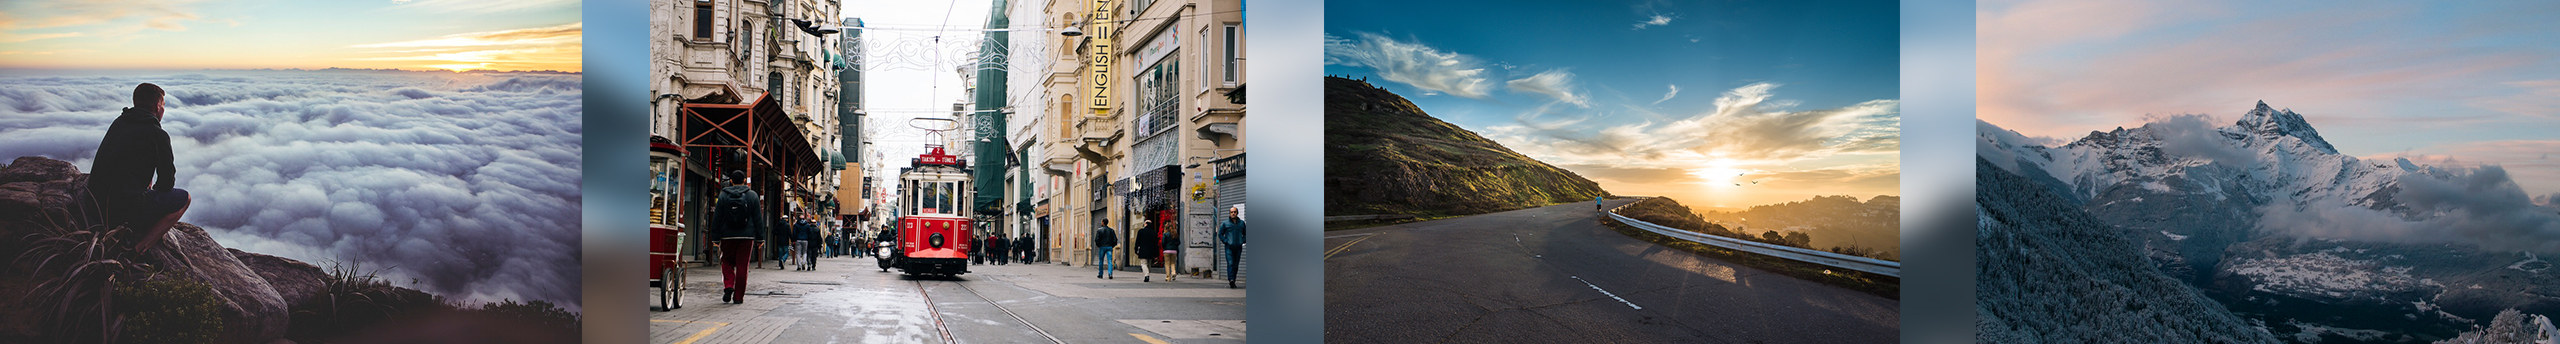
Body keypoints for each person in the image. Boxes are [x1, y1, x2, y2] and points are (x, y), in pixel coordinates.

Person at [90, 83, 191, 251]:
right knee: (184, 198)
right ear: (158, 107)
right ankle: (138, 248)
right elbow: (167, 183)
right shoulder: (158, 135)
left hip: (95, 204)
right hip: (123, 211)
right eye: (163, 105)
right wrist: (150, 193)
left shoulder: (119, 122)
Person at [711, 168, 764, 304]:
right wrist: (760, 238)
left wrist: (715, 238)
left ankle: (728, 285)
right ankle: (738, 297)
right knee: (742, 266)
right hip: (746, 237)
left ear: (731, 181)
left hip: (727, 235)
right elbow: (758, 218)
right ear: (745, 181)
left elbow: (717, 217)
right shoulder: (752, 195)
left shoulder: (723, 195)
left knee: (726, 261)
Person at [1218, 205, 1247, 288]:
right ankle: (1231, 280)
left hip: (1238, 247)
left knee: (1236, 264)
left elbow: (1245, 233)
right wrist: (1226, 241)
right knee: (1230, 263)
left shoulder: (1241, 223)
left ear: (1237, 213)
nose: (1233, 213)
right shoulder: (1225, 223)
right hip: (1229, 247)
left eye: (1234, 212)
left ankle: (1234, 279)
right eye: (1231, 212)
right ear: (1229, 213)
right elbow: (1220, 234)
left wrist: (1243, 240)